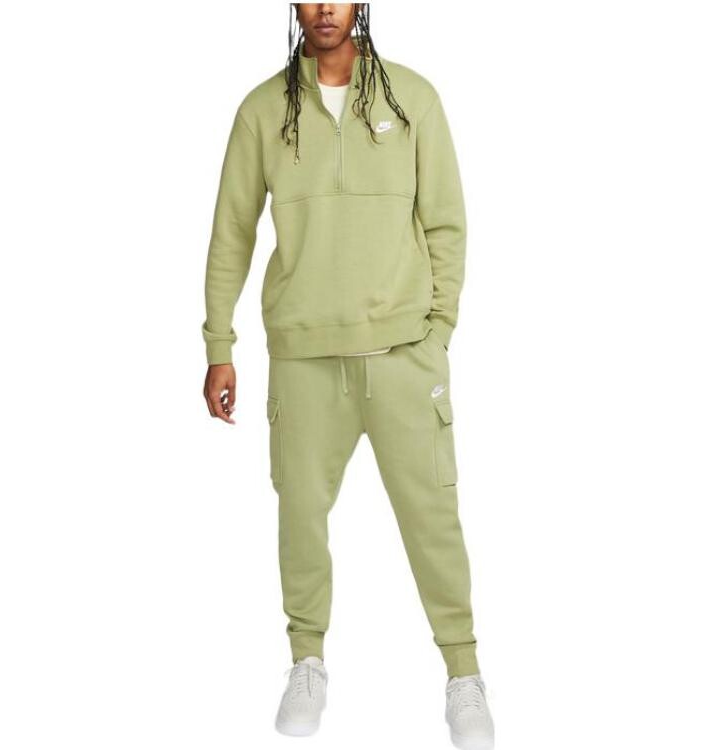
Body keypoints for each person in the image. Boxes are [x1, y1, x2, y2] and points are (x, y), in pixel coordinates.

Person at [201, 4, 494, 748]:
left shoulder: (414, 98)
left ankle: (463, 673)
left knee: (433, 521)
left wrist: (438, 331)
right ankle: (307, 662)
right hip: (302, 357)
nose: (324, 7)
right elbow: (231, 232)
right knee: (300, 518)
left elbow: (447, 222)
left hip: (404, 355)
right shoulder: (262, 111)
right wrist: (220, 344)